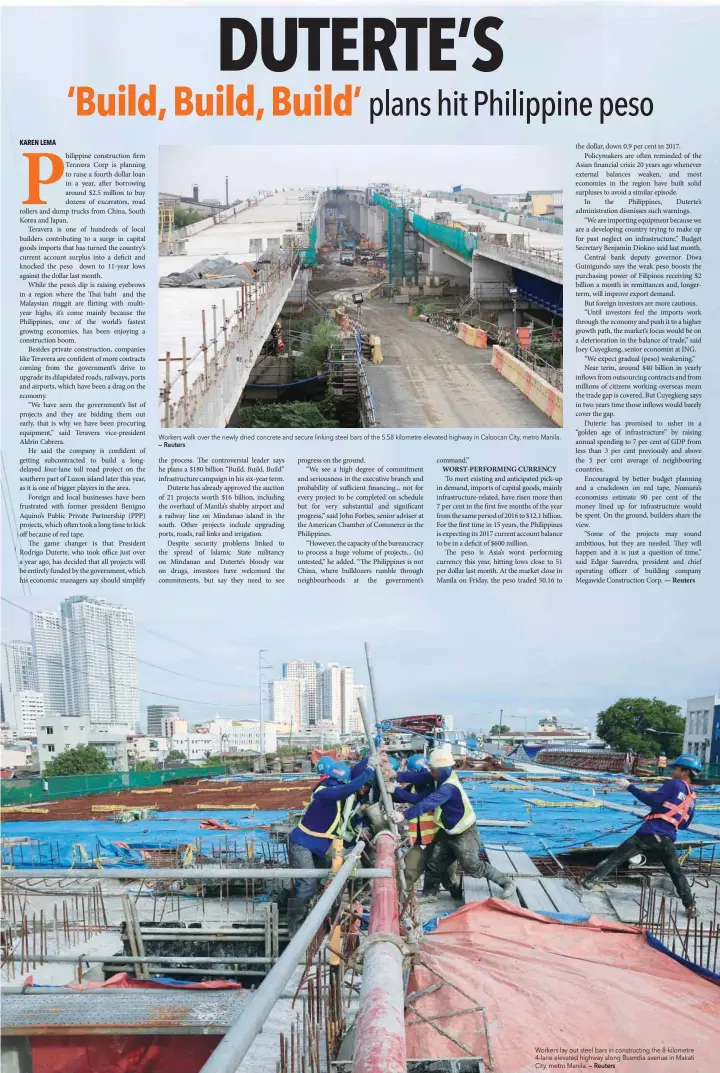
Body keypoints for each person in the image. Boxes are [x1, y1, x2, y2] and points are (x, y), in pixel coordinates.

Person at [582, 753, 700, 916]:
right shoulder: (693, 798)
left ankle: (588, 882)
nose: (673, 771)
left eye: (677, 768)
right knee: (676, 872)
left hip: (648, 833)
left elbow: (652, 800)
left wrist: (629, 786)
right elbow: (685, 824)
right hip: (666, 839)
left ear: (686, 772)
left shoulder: (674, 785)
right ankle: (690, 906)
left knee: (616, 858)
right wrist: (667, 815)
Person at [392, 746, 516, 901]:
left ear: (442, 769)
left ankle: (507, 883)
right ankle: (429, 894)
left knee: (471, 866)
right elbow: (420, 778)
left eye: (433, 770)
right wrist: (396, 775)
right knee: (435, 862)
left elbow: (427, 804)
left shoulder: (448, 787)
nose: (431, 773)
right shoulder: (440, 776)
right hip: (448, 830)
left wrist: (403, 815)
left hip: (464, 832)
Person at [287, 756, 375, 934]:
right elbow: (345, 790)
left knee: (319, 881)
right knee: (308, 883)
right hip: (302, 844)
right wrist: (368, 772)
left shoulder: (341, 797)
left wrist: (370, 760)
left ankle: (287, 903)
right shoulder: (324, 792)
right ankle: (295, 929)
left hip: (320, 846)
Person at [392, 754, 442, 887]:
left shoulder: (434, 787)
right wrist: (390, 790)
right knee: (411, 868)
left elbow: (418, 799)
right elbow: (401, 797)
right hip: (420, 839)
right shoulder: (414, 787)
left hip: (437, 836)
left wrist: (396, 787)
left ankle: (451, 890)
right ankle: (401, 892)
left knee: (444, 871)